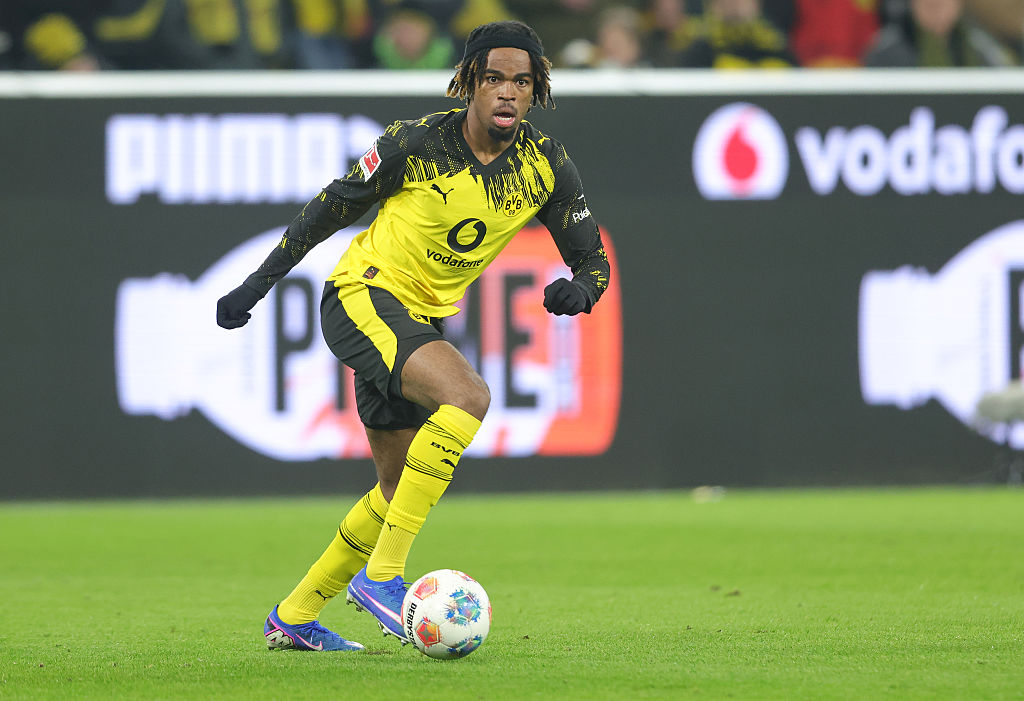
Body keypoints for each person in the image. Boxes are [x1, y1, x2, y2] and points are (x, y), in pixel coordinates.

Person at [215, 19, 610, 651]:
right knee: (469, 397)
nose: (507, 92)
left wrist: (582, 291)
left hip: (417, 320)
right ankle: (385, 578)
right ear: (468, 83)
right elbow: (328, 209)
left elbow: (593, 260)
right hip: (362, 297)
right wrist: (258, 284)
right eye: (493, 79)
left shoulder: (545, 165)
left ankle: (293, 617)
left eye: (522, 82)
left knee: (396, 490)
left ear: (537, 92)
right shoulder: (415, 143)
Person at [863, 0, 1016, 67]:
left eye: (943, 4)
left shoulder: (980, 49)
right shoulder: (885, 53)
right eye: (930, 5)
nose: (937, 12)